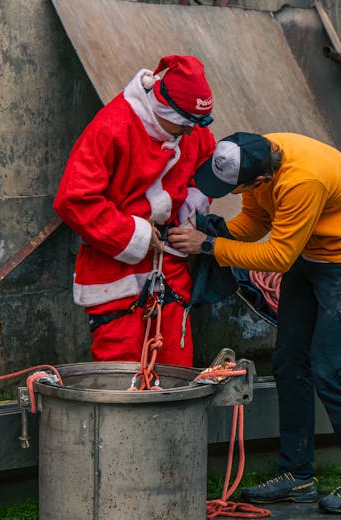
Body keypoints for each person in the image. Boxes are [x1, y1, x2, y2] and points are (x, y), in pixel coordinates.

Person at [167, 132, 341, 514]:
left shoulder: (303, 181)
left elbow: (279, 256)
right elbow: (254, 222)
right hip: (309, 252)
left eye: (233, 188)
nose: (230, 192)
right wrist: (210, 233)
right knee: (288, 362)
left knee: (330, 370)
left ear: (259, 180)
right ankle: (297, 475)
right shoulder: (253, 153)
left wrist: (208, 245)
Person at [53, 55, 217, 367]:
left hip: (169, 263)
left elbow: (204, 163)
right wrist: (134, 234)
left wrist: (192, 207)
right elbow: (74, 199)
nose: (189, 132)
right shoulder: (112, 127)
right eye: (184, 124)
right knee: (122, 370)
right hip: (114, 267)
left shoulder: (189, 127)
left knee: (176, 367)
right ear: (164, 107)